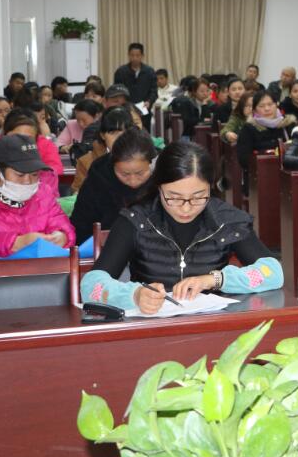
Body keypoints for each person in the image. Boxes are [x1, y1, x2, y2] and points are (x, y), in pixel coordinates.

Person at [80, 141, 283, 313]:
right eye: (174, 197)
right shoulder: (136, 220)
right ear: (158, 187)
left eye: (198, 197)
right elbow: (91, 285)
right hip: (152, 327)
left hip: (213, 323)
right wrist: (134, 295)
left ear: (210, 187)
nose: (186, 208)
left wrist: (214, 280)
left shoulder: (227, 221)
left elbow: (273, 272)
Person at [70, 129, 156, 243]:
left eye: (140, 173)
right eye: (124, 174)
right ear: (113, 165)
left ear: (151, 164)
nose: (133, 181)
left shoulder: (163, 178)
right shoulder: (99, 178)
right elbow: (81, 224)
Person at [0, 108, 63, 188]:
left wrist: (33, 179)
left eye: (27, 138)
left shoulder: (45, 145)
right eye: (15, 137)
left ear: (36, 137)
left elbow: (55, 170)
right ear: (5, 135)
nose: (20, 142)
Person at [74, 107, 134, 193]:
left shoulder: (145, 158)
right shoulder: (85, 162)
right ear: (102, 135)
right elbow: (78, 194)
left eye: (125, 133)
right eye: (113, 133)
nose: (120, 138)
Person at [235, 90, 287, 179]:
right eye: (261, 106)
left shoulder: (287, 125)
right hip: (259, 176)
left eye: (270, 104)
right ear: (255, 110)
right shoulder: (249, 128)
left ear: (276, 105)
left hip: (285, 173)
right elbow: (244, 159)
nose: (267, 109)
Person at [113, 43, 157, 131]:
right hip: (126, 110)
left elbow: (154, 91)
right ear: (128, 55)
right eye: (132, 55)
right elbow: (116, 91)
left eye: (137, 55)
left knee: (143, 132)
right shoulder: (121, 71)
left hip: (144, 109)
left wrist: (149, 101)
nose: (135, 58)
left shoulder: (149, 72)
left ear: (142, 56)